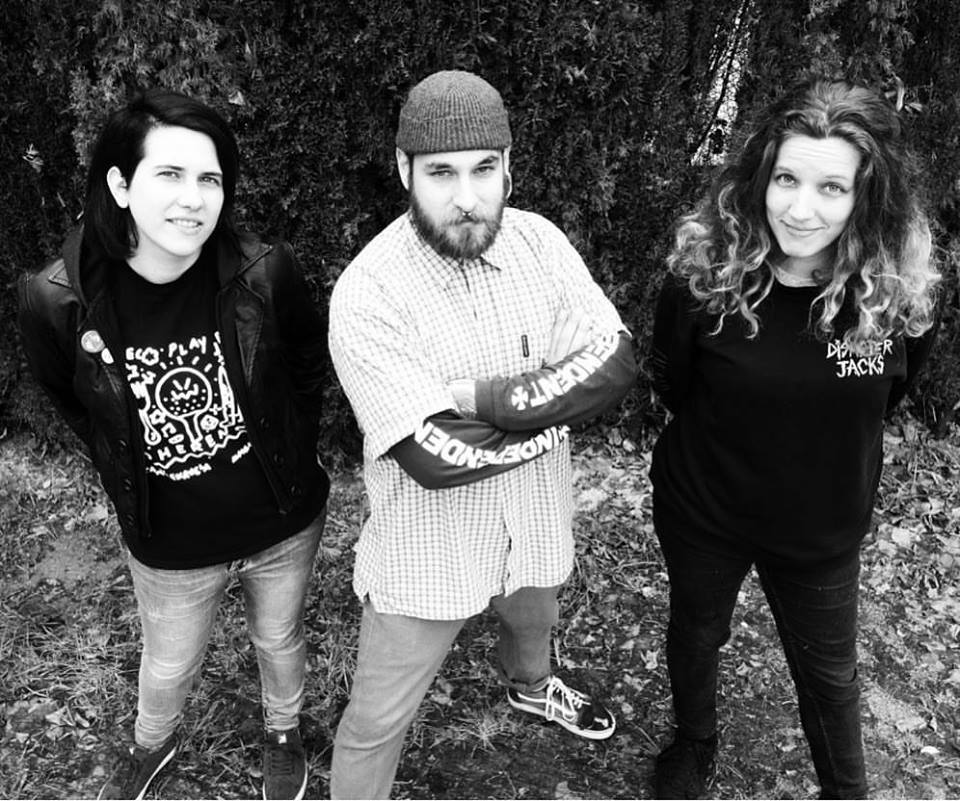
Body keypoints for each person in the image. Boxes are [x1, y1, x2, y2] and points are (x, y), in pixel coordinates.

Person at [328, 69, 638, 799]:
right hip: (426, 551)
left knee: (536, 620)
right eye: (441, 172)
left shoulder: (541, 244)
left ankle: (530, 687)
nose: (466, 197)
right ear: (403, 169)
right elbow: (432, 456)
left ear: (508, 165)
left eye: (483, 169)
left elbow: (615, 360)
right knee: (374, 723)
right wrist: (553, 407)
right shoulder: (369, 292)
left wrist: (485, 400)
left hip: (533, 522)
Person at [17, 89, 330, 801]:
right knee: (167, 663)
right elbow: (74, 402)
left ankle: (284, 732)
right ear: (121, 184)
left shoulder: (264, 272)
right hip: (169, 543)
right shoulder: (56, 299)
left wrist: (295, 448)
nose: (193, 199)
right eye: (170, 174)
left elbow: (307, 366)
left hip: (283, 524)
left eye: (210, 178)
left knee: (279, 638)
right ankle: (152, 742)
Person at [648, 78, 940, 798]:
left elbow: (890, 394)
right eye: (786, 179)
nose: (800, 209)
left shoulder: (895, 295)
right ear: (761, 176)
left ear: (868, 196)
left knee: (831, 676)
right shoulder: (705, 279)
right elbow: (674, 383)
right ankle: (694, 742)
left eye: (832, 188)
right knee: (696, 633)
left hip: (821, 530)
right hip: (705, 512)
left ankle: (847, 790)